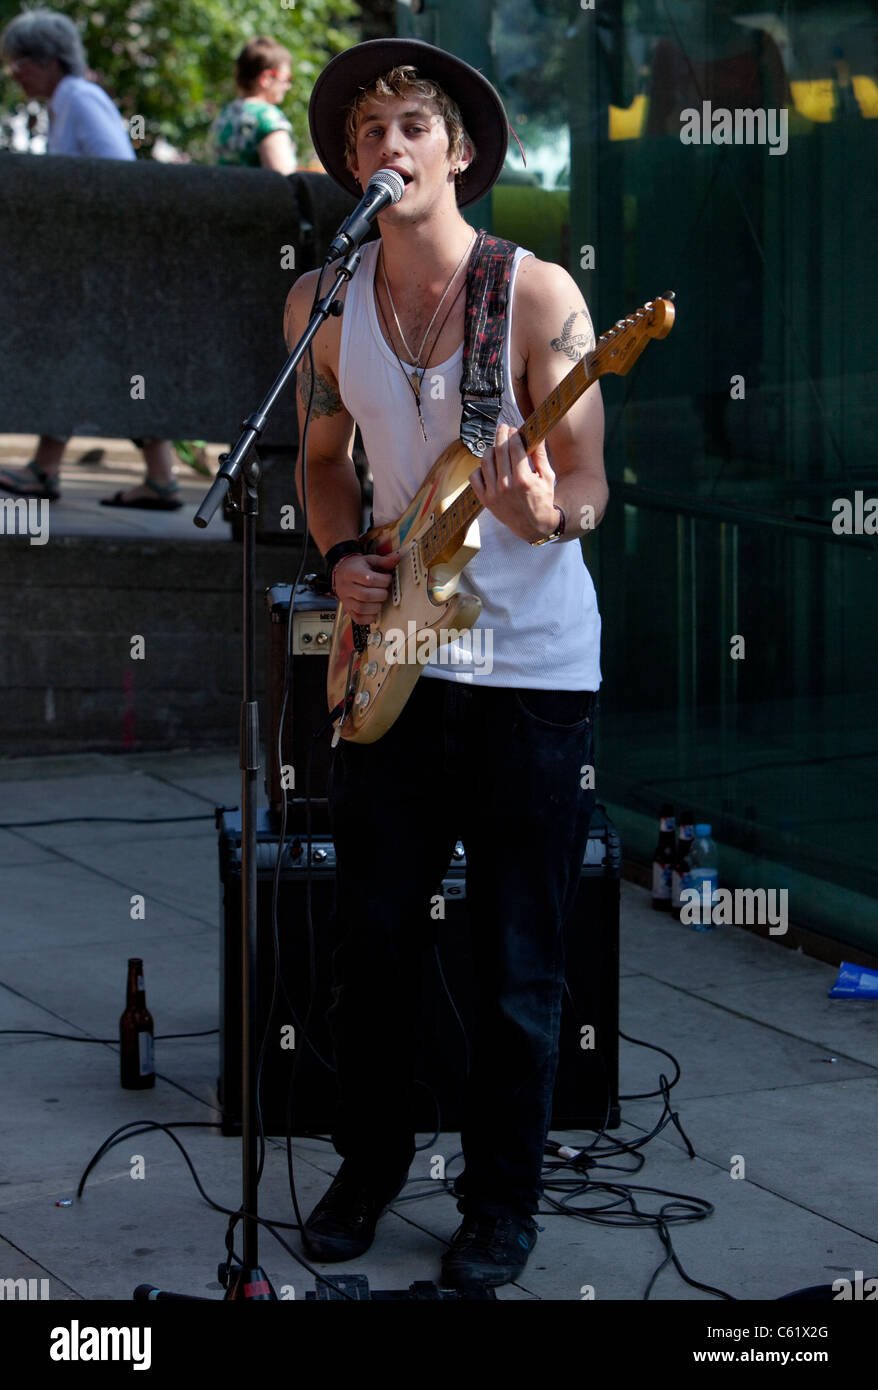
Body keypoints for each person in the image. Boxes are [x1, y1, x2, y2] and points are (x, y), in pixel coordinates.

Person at [283, 38, 607, 1291]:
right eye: (368, 136)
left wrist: (544, 514)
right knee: (372, 940)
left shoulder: (534, 298)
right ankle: (367, 1169)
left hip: (526, 673)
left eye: (413, 126)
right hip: (388, 666)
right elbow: (318, 464)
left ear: (460, 150)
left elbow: (583, 485)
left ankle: (499, 1203)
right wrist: (340, 560)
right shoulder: (320, 300)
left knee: (518, 955)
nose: (390, 149)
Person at [0, 8, 181, 509]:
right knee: (97, 363)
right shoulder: (67, 101)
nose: (14, 72)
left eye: (19, 62)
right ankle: (149, 476)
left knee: (98, 362)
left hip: (105, 267)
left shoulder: (79, 98)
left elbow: (117, 175)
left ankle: (53, 469)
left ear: (47, 60)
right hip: (97, 266)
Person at [210, 35, 297, 174]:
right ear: (266, 78)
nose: (288, 86)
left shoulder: (225, 114)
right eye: (287, 78)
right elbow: (286, 180)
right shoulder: (267, 117)